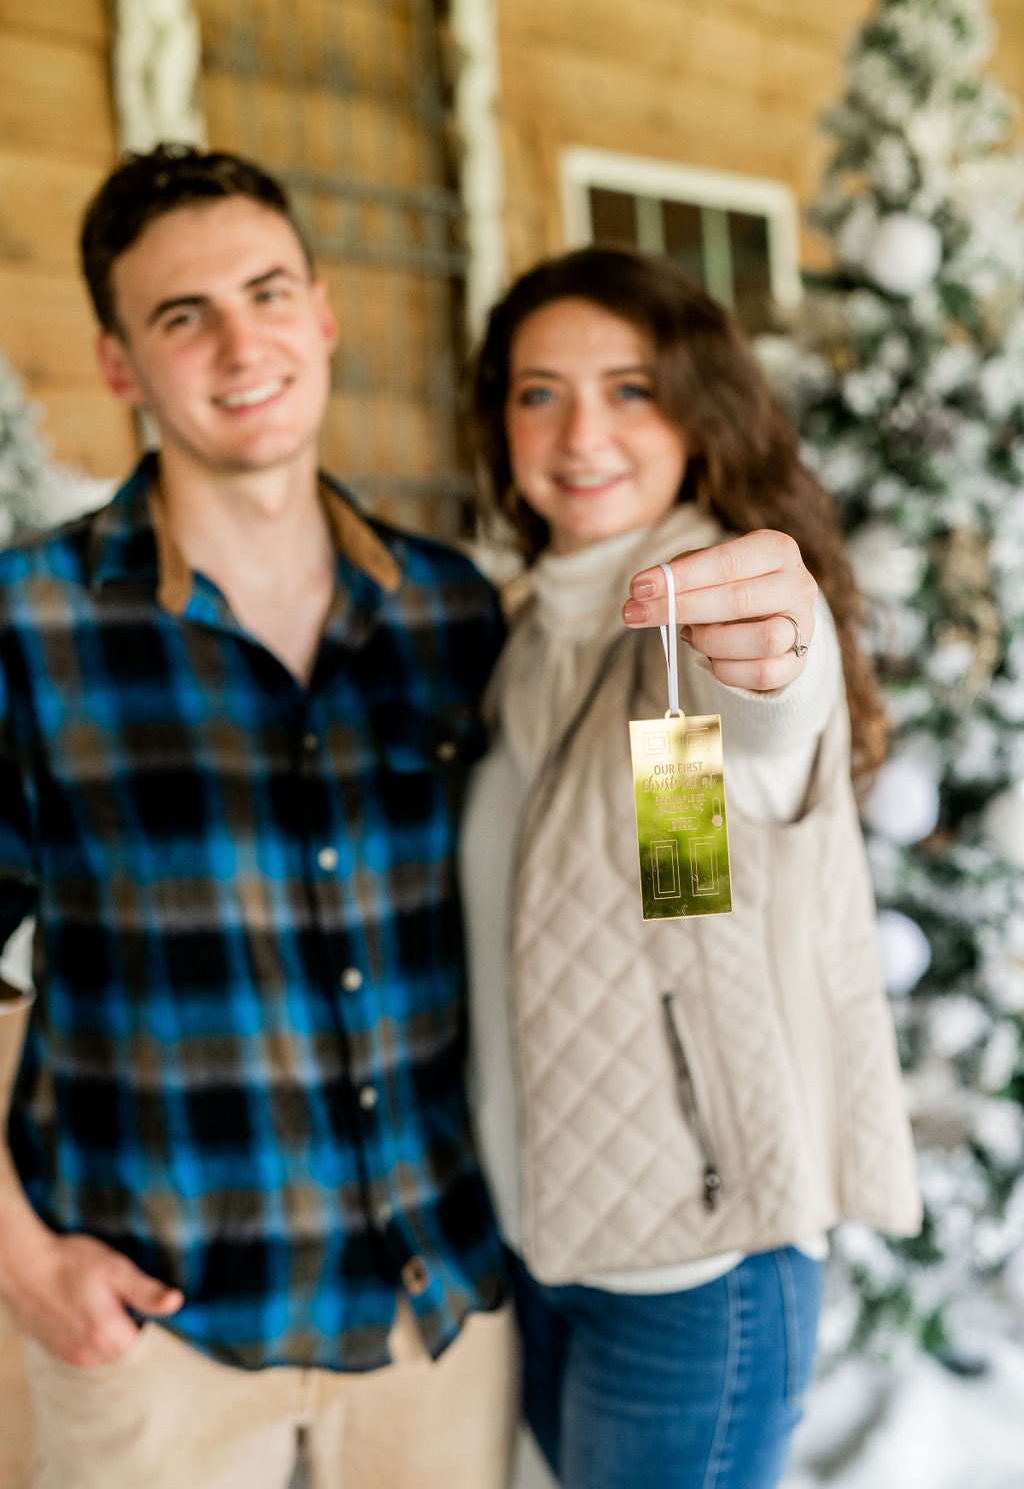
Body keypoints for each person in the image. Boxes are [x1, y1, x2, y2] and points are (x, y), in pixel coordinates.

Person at [0, 144, 515, 1489]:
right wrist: (21, 1258)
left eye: (267, 292)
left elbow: (659, 858)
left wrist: (747, 685)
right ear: (120, 365)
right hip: (153, 1321)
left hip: (432, 1314)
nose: (243, 343)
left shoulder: (453, 610)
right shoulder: (27, 623)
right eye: (184, 316)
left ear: (324, 313)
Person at [461, 246, 921, 1489]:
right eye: (538, 391)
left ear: (696, 410)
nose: (580, 431)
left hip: (691, 1273)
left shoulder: (696, 624)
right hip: (538, 1246)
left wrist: (776, 657)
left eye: (630, 387)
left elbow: (731, 793)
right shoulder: (512, 636)